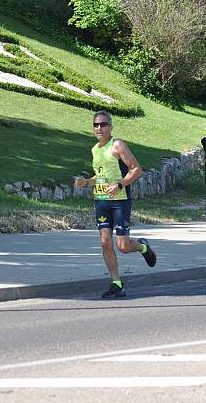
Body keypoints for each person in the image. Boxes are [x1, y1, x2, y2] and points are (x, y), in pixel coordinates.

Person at [74, 110, 156, 298]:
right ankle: (116, 283)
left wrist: (119, 185)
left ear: (110, 127)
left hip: (120, 202)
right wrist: (87, 182)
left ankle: (143, 247)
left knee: (123, 246)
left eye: (103, 124)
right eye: (96, 125)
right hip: (101, 202)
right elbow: (101, 176)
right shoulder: (95, 149)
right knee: (105, 242)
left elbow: (136, 169)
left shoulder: (117, 145)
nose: (99, 128)